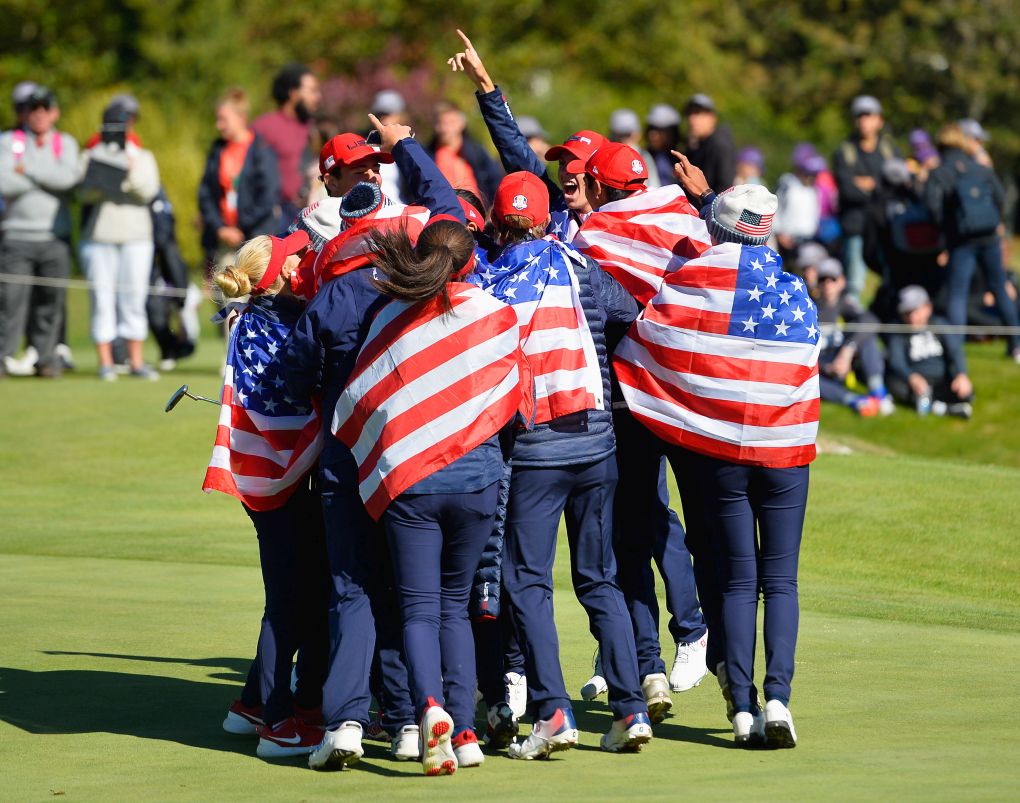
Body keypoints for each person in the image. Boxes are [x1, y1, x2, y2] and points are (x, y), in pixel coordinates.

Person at [284, 115, 463, 774]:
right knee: (403, 590)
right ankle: (413, 720)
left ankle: (349, 722)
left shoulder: (328, 283)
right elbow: (448, 212)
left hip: (342, 452)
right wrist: (407, 145)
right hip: (411, 448)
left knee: (353, 589)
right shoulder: (416, 272)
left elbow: (293, 373)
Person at [614, 182, 821, 748]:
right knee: (779, 581)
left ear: (716, 228)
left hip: (722, 454)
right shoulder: (793, 288)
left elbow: (648, 340)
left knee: (738, 579)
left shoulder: (692, 279)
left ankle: (743, 707)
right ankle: (777, 701)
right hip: (786, 451)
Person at [334, 216, 529, 775]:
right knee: (456, 610)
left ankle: (430, 712)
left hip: (411, 481)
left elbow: (360, 397)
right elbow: (516, 398)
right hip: (478, 482)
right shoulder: (496, 314)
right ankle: (466, 732)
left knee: (418, 610)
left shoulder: (388, 314)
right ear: (473, 262)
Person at [474, 170, 654, 758]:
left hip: (533, 454)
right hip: (598, 444)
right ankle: (629, 709)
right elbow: (629, 313)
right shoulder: (580, 268)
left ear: (500, 223)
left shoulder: (490, 280)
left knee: (527, 583)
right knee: (599, 579)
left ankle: (552, 712)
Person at [205, 231, 330, 758]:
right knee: (290, 601)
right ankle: (277, 724)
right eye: (298, 256)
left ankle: (254, 703)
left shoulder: (252, 313)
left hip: (263, 478)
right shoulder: (285, 322)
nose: (306, 258)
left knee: (292, 592)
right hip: (280, 478)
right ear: (280, 274)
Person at [0, 84, 79, 379]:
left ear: (54, 112)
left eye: (45, 108)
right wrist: (47, 175)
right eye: (33, 109)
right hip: (16, 236)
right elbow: (4, 182)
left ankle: (45, 358)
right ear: (25, 114)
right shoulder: (10, 141)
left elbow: (68, 180)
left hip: (54, 237)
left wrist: (26, 171)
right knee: (10, 302)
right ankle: (3, 357)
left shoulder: (65, 143)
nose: (39, 115)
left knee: (51, 302)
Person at [925, 122, 1020, 363]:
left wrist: (946, 233)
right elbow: (1000, 198)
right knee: (999, 286)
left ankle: (956, 349)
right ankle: (1016, 343)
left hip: (960, 241)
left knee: (958, 292)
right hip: (989, 236)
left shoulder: (939, 172)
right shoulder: (980, 168)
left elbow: (932, 209)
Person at [78, 103, 161, 380]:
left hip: (137, 237)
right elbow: (83, 192)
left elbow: (147, 190)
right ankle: (105, 362)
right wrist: (105, 173)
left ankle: (135, 362)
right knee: (101, 298)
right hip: (100, 237)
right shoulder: (91, 154)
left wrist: (122, 173)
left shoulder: (143, 155)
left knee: (133, 299)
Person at [198, 88, 281, 277]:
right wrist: (220, 228)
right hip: (224, 240)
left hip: (254, 239)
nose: (218, 125)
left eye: (223, 119)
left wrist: (240, 227)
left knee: (252, 297)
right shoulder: (217, 150)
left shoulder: (261, 150)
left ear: (241, 117)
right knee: (226, 297)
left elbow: (268, 196)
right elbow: (205, 193)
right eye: (217, 119)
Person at [832, 95, 900, 300]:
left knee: (891, 278)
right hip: (856, 226)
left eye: (868, 115)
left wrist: (867, 184)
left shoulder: (890, 150)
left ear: (880, 120)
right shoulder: (844, 152)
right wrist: (880, 185)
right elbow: (847, 191)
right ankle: (856, 328)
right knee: (855, 282)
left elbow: (898, 186)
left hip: (885, 227)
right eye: (859, 116)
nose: (864, 121)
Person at [813, 257, 894, 416]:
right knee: (809, 379)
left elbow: (871, 321)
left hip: (846, 363)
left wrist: (848, 351)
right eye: (823, 279)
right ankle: (854, 400)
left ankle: (878, 391)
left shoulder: (846, 304)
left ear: (841, 281)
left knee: (867, 339)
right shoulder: (809, 307)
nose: (828, 284)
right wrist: (825, 368)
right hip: (821, 369)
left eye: (833, 279)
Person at [886, 285, 974, 418]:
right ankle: (943, 409)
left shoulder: (939, 325)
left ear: (927, 308)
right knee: (894, 384)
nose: (912, 317)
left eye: (915, 311)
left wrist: (961, 374)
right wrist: (911, 377)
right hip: (915, 382)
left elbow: (955, 352)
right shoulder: (898, 332)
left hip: (940, 381)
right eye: (907, 313)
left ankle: (936, 405)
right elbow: (896, 360)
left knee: (965, 392)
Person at [252, 64, 321, 221]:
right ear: (293, 93)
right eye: (312, 91)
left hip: (310, 215)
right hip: (275, 217)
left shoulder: (314, 128)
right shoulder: (264, 127)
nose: (318, 97)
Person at [426, 99, 503, 206]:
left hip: (477, 213)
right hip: (442, 214)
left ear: (461, 123)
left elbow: (494, 181)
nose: (445, 128)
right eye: (440, 123)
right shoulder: (428, 155)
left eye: (450, 122)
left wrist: (492, 208)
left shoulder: (476, 151)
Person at [773, 144, 827, 260]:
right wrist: (779, 232)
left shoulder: (814, 189)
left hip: (808, 237)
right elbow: (776, 208)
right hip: (788, 237)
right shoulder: (787, 183)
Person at [684, 94, 736, 196]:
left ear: (712, 117)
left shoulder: (720, 145)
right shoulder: (699, 145)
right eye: (690, 113)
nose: (692, 119)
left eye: (698, 113)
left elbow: (725, 188)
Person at [609, 108, 659, 189]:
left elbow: (654, 187)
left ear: (637, 134)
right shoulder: (608, 157)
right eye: (619, 135)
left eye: (627, 134)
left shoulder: (644, 156)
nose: (623, 140)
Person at [645, 103, 681, 188]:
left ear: (672, 132)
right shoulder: (645, 156)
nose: (652, 135)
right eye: (651, 128)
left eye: (659, 130)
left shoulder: (683, 158)